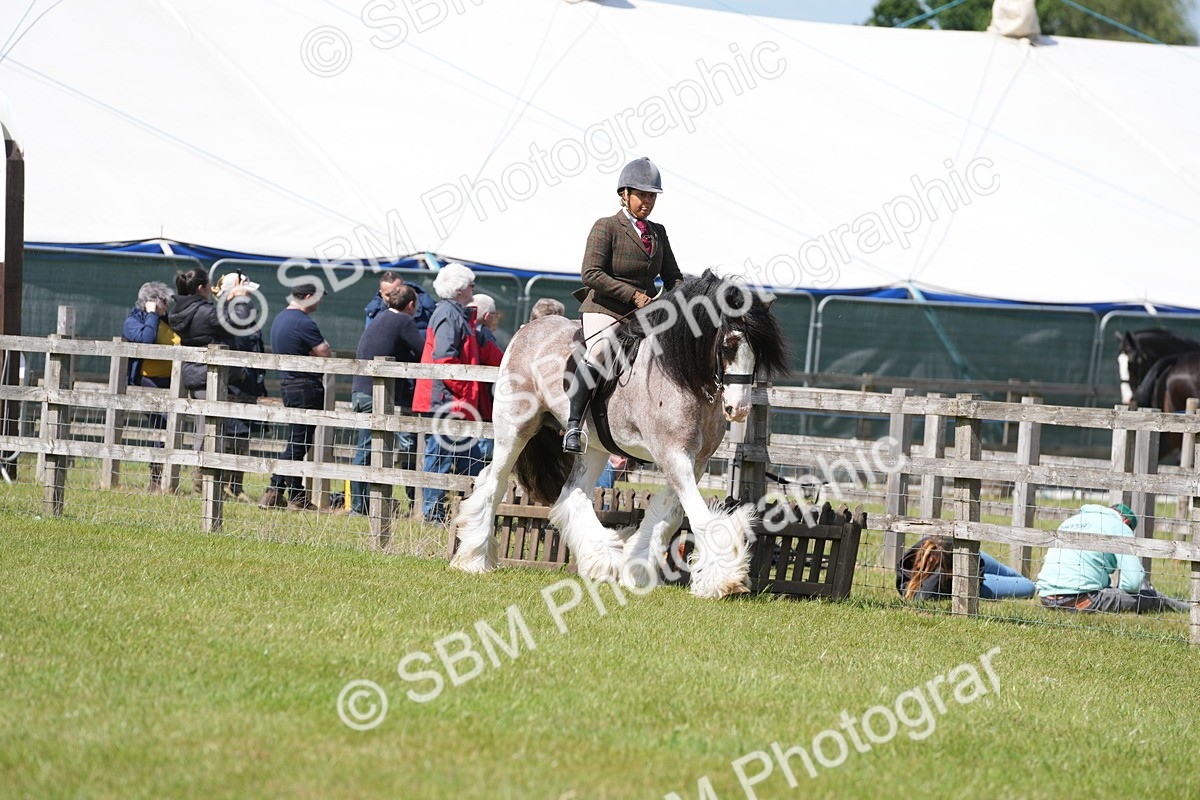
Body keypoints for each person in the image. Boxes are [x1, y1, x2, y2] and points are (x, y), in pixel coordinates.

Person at [564, 156, 684, 454]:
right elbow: (591, 273)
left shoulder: (659, 232)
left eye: (651, 196)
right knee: (600, 350)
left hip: (644, 313)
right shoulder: (606, 227)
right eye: (641, 195)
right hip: (605, 308)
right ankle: (574, 425)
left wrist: (684, 299)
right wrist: (633, 296)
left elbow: (673, 277)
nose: (647, 202)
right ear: (624, 195)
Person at [412, 263, 503, 522]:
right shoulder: (447, 315)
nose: (474, 289)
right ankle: (431, 513)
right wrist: (467, 392)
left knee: (464, 458)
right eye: (471, 285)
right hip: (446, 399)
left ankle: (460, 513)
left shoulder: (456, 314)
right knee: (439, 457)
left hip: (454, 399)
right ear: (461, 288)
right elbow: (444, 361)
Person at [349, 283, 422, 516]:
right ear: (411, 305)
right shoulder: (404, 321)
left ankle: (364, 504)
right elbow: (422, 351)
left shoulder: (380, 317)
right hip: (376, 393)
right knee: (369, 450)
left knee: (366, 449)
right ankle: (359, 507)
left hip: (360, 390)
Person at [1037, 503, 1190, 613]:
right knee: (1156, 598)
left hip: (1046, 598)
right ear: (1126, 522)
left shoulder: (1071, 521)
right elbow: (1132, 582)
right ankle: (1190, 610)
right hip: (1081, 600)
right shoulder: (1121, 527)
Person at [261, 280, 332, 511]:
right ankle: (282, 494)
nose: (321, 302)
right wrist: (315, 353)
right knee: (299, 443)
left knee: (297, 440)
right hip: (305, 386)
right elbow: (325, 352)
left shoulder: (281, 318)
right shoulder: (303, 322)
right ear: (309, 296)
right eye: (319, 297)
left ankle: (283, 494)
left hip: (289, 385)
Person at [168, 268, 239, 494]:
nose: (211, 289)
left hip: (195, 375)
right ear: (201, 288)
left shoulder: (182, 311)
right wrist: (235, 297)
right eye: (209, 285)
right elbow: (234, 321)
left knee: (206, 430)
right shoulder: (205, 312)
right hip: (209, 376)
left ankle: (206, 484)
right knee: (208, 432)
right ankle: (203, 486)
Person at [213, 271, 267, 501]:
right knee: (231, 437)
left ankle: (234, 486)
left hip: (245, 384)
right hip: (236, 384)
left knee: (240, 437)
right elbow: (244, 340)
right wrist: (239, 298)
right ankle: (224, 485)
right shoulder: (236, 309)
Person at [122, 281, 178, 493]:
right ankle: (156, 480)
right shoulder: (133, 321)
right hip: (148, 383)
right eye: (163, 300)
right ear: (152, 302)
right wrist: (152, 314)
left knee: (170, 428)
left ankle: (166, 480)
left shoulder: (168, 320)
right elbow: (146, 341)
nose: (167, 305)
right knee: (162, 428)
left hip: (172, 383)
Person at [896, 536, 1037, 601]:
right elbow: (922, 596)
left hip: (967, 553)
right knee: (1029, 587)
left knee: (1008, 572)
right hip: (971, 581)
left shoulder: (933, 548)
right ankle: (1040, 586)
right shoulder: (909, 577)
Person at [467, 293, 503, 474]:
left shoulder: (468, 329)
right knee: (483, 451)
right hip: (483, 399)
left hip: (470, 397)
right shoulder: (484, 333)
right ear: (488, 316)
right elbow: (497, 361)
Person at [364, 270, 437, 336]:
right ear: (381, 293)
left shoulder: (427, 308)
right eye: (388, 295)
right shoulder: (373, 312)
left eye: (396, 293)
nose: (393, 298)